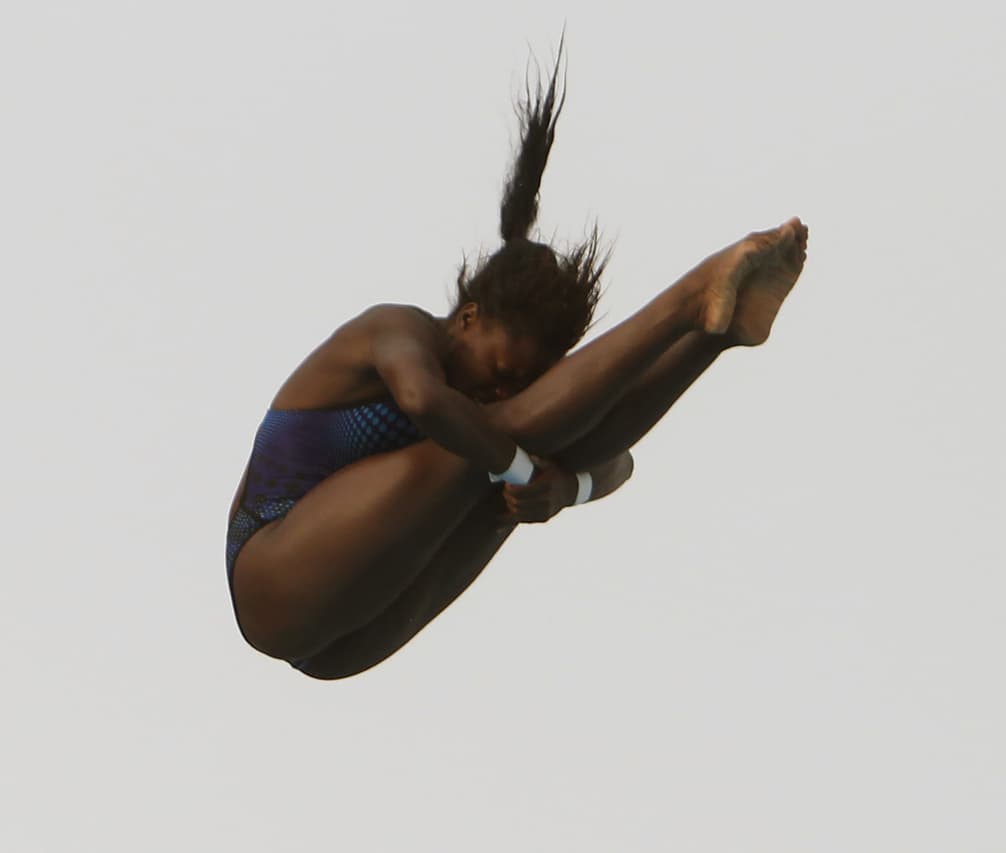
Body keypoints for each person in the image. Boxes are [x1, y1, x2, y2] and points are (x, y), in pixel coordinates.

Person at [224, 51, 809, 680]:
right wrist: (523, 464)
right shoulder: (395, 329)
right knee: (491, 444)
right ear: (468, 318)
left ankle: (714, 336)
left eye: (519, 380)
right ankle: (687, 304)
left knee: (523, 466)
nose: (503, 387)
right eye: (502, 368)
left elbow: (617, 464)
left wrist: (565, 489)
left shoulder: (500, 414)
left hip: (347, 644)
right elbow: (423, 402)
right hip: (275, 575)